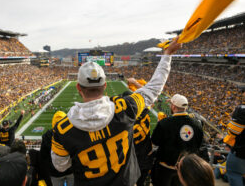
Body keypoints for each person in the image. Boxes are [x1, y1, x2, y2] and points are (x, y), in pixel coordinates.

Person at [51, 39, 181, 186]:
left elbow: (61, 166)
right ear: (105, 86)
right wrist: (167, 54)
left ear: (78, 88)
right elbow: (154, 88)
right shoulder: (125, 108)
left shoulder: (62, 129)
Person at [151, 94, 204, 186]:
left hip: (165, 167)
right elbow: (199, 145)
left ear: (173, 106)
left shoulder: (165, 123)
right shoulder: (197, 124)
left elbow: (155, 141)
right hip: (185, 169)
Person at [40, 111, 73, 186]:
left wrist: (48, 170)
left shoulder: (47, 136)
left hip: (54, 172)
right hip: (71, 170)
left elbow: (43, 157)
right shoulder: (71, 134)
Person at [223, 85, 245, 186]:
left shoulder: (241, 110)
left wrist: (226, 141)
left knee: (234, 174)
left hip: (240, 153)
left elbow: (232, 132)